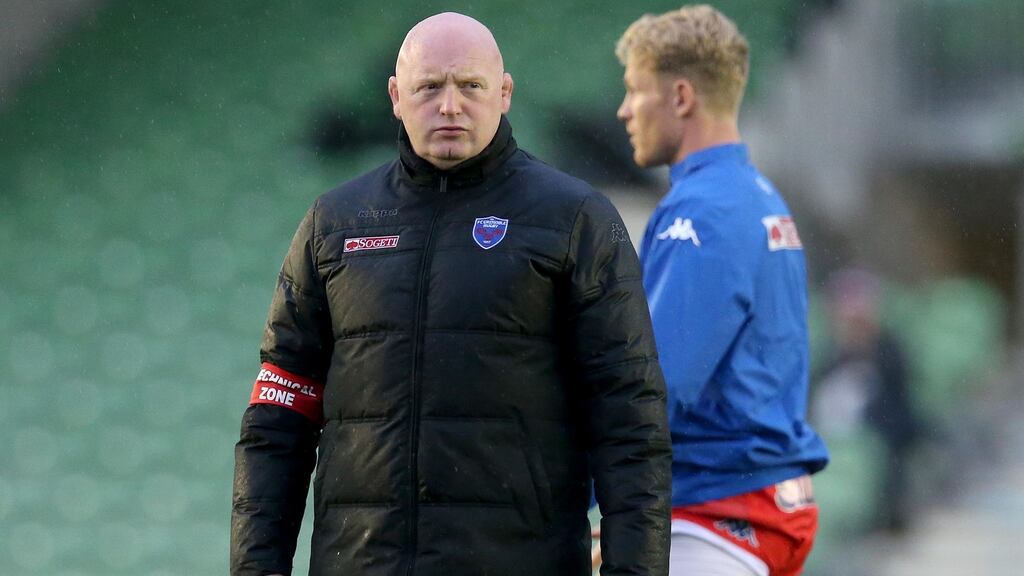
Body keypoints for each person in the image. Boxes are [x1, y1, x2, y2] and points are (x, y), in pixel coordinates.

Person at [231, 12, 672, 576]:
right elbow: (276, 422)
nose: (449, 105)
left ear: (505, 92)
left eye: (471, 86)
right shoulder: (333, 223)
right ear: (395, 95)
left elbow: (630, 423)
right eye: (428, 87)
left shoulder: (577, 220)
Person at [609, 5, 830, 576]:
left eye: (635, 90)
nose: (624, 110)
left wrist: (564, 493)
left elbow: (652, 387)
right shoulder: (759, 196)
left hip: (718, 513)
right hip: (766, 503)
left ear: (680, 97)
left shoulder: (700, 210)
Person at [815, 268, 920, 534]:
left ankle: (886, 514)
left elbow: (899, 406)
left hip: (880, 434)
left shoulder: (889, 348)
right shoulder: (831, 349)